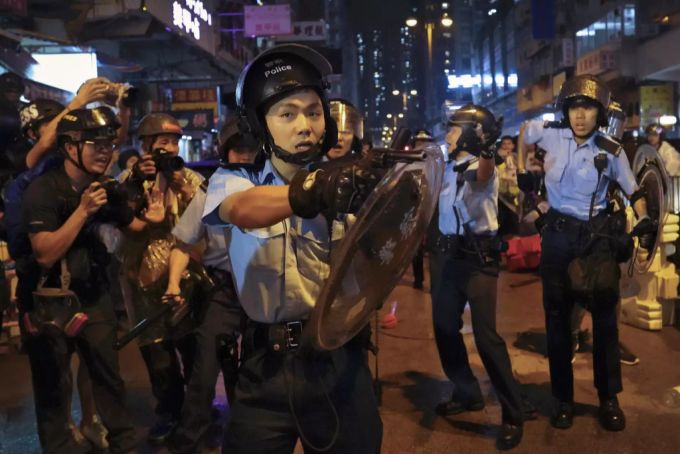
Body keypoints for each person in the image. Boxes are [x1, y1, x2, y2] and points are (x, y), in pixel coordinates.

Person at [202, 43, 382, 453]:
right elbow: (244, 210)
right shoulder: (234, 179)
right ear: (259, 126)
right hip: (264, 368)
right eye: (287, 114)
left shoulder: (351, 183)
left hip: (339, 363)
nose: (305, 126)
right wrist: (316, 190)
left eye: (314, 112)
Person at [517, 74, 654, 432]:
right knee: (558, 323)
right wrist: (521, 171)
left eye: (588, 108)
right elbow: (523, 132)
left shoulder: (611, 149)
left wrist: (644, 219)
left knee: (606, 322)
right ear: (566, 110)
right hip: (559, 239)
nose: (580, 116)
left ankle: (609, 398)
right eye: (575, 107)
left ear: (599, 113)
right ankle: (563, 399)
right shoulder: (550, 134)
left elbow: (633, 190)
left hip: (597, 241)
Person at [21, 107, 137, 453]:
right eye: (96, 144)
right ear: (70, 147)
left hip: (94, 294)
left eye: (109, 144)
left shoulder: (104, 187)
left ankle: (125, 445)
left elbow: (132, 228)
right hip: (47, 300)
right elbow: (44, 252)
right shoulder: (43, 190)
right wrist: (83, 211)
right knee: (53, 385)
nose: (106, 151)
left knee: (109, 378)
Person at [429, 103, 525, 450]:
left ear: (470, 134)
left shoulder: (484, 166)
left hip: (478, 260)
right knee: (443, 327)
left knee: (486, 338)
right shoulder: (442, 166)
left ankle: (513, 413)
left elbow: (482, 176)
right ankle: (467, 391)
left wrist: (487, 149)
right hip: (446, 258)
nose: (447, 134)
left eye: (453, 129)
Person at [166, 115, 255, 453]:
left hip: (262, 290)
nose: (244, 155)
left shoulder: (270, 185)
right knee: (204, 375)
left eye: (250, 149)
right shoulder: (209, 191)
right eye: (238, 150)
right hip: (223, 292)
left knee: (254, 373)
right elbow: (183, 243)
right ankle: (191, 441)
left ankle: (249, 439)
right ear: (226, 152)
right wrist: (173, 283)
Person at [118, 112, 204, 444]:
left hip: (185, 275)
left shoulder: (188, 175)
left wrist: (179, 179)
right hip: (141, 277)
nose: (168, 148)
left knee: (192, 346)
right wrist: (138, 184)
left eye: (173, 142)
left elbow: (203, 212)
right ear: (144, 145)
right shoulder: (130, 176)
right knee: (156, 351)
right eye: (162, 142)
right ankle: (168, 411)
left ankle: (196, 412)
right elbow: (118, 219)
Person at [410, 129, 435, 289]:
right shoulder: (408, 162)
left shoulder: (437, 163)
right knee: (416, 248)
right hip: (415, 210)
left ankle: (436, 280)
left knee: (433, 248)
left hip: (433, 209)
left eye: (425, 142)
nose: (422, 145)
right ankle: (418, 279)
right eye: (419, 141)